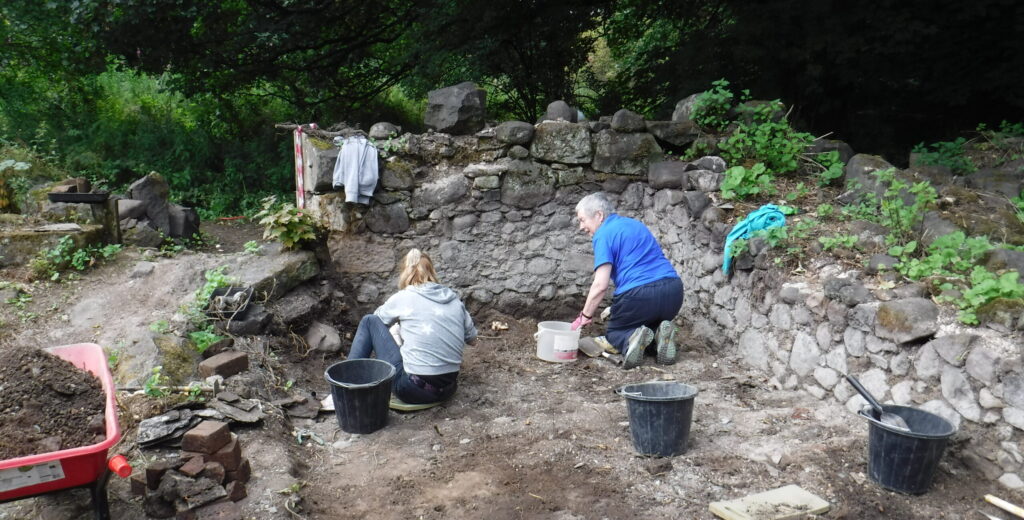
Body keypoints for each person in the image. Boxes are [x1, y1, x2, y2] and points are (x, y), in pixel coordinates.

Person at [348, 248, 477, 406]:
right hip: (448, 389)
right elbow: (473, 340)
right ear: (432, 272)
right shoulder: (454, 300)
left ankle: (346, 385)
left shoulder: (404, 297)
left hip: (412, 390)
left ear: (406, 272)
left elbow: (377, 322)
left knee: (369, 321)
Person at [571, 192, 683, 369]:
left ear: (599, 215)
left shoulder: (603, 234)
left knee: (615, 333)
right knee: (647, 324)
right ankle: (659, 334)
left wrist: (585, 316)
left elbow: (600, 285)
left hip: (639, 294)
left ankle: (629, 339)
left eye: (583, 220)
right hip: (673, 291)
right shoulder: (634, 224)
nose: (581, 226)